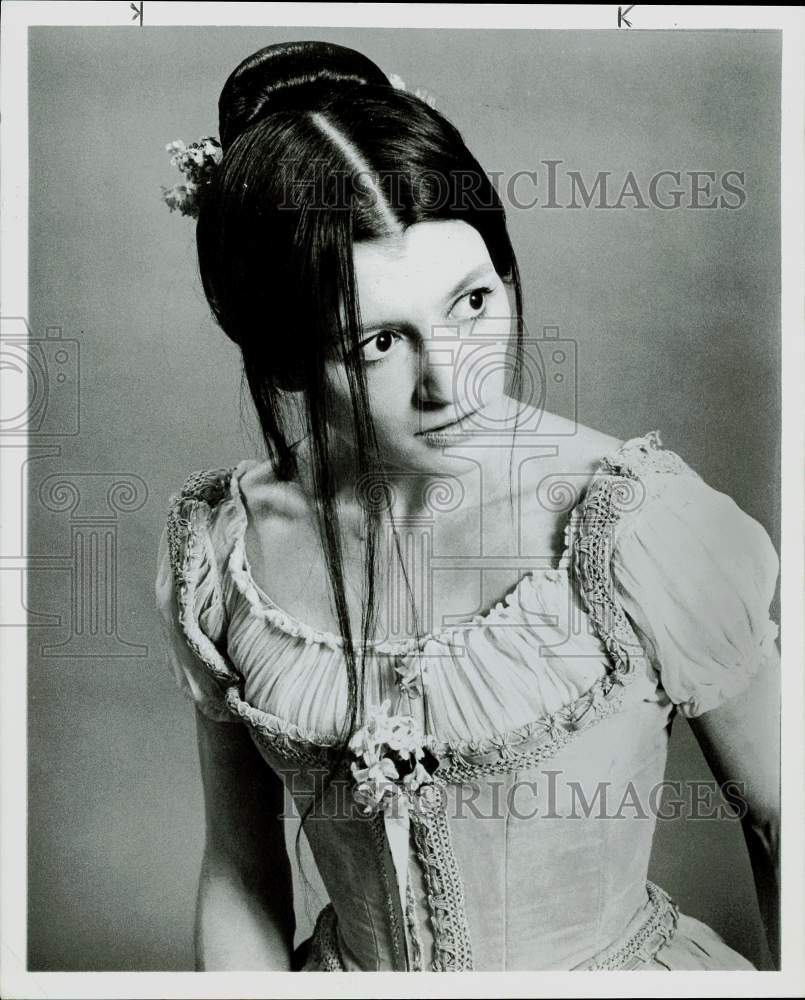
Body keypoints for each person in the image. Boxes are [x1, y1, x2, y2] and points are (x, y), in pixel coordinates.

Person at [154, 40, 781, 972]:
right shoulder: (224, 553)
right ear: (283, 355)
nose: (454, 380)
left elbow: (782, 817)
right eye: (377, 342)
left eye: (474, 301)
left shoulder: (640, 526)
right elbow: (243, 872)